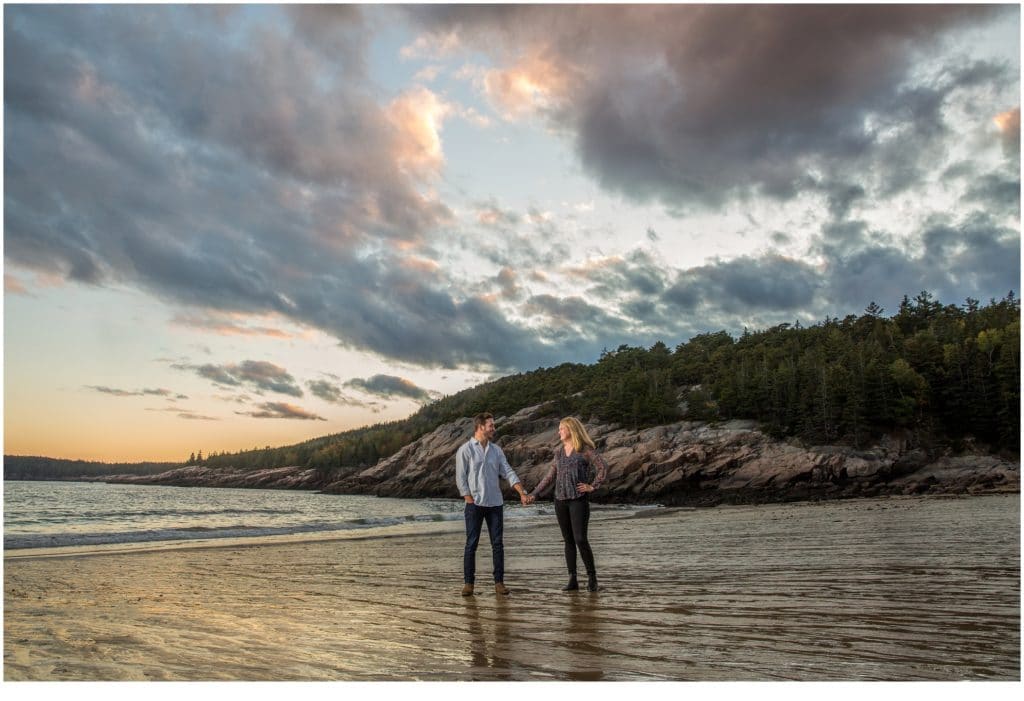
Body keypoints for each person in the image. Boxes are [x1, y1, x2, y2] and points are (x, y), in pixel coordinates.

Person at [524, 417, 608, 592]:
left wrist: (592, 486)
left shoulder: (585, 450)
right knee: (568, 540)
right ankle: (572, 579)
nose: (559, 431)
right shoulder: (559, 452)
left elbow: (603, 467)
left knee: (580, 539)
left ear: (571, 429)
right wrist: (534, 494)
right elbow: (549, 477)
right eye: (559, 428)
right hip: (560, 500)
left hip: (578, 500)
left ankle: (592, 578)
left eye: (562, 428)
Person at [456, 412, 530, 596]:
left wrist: (521, 492)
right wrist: (468, 499)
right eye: (491, 425)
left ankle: (499, 583)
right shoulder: (465, 450)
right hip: (474, 505)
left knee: (497, 544)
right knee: (471, 544)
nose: (494, 429)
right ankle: (468, 584)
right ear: (480, 427)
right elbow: (460, 478)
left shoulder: (496, 450)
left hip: (495, 504)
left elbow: (508, 471)